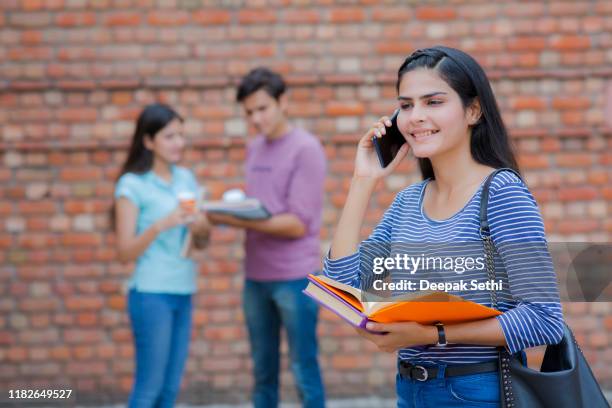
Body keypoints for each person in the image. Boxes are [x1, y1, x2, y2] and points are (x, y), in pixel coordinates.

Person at [323, 46, 564, 407]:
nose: (415, 116)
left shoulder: (501, 193)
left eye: (433, 102)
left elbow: (544, 320)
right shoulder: (408, 202)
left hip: (476, 391)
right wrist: (363, 179)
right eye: (406, 105)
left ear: (473, 110)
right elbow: (343, 283)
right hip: (411, 390)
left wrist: (433, 335)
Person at [207, 67, 326, 408]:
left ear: (283, 102)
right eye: (248, 112)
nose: (255, 118)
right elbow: (264, 207)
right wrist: (233, 212)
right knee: (262, 374)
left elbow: (297, 224)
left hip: (295, 278)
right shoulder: (254, 148)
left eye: (262, 108)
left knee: (304, 370)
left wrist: (233, 218)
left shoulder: (306, 149)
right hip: (255, 277)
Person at [113, 103, 210, 408]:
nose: (178, 143)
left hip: (184, 289)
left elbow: (200, 245)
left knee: (169, 392)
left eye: (181, 135)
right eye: (169, 136)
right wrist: (162, 224)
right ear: (148, 141)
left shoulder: (187, 179)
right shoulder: (131, 185)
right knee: (148, 390)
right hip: (151, 294)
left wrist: (201, 227)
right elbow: (125, 252)